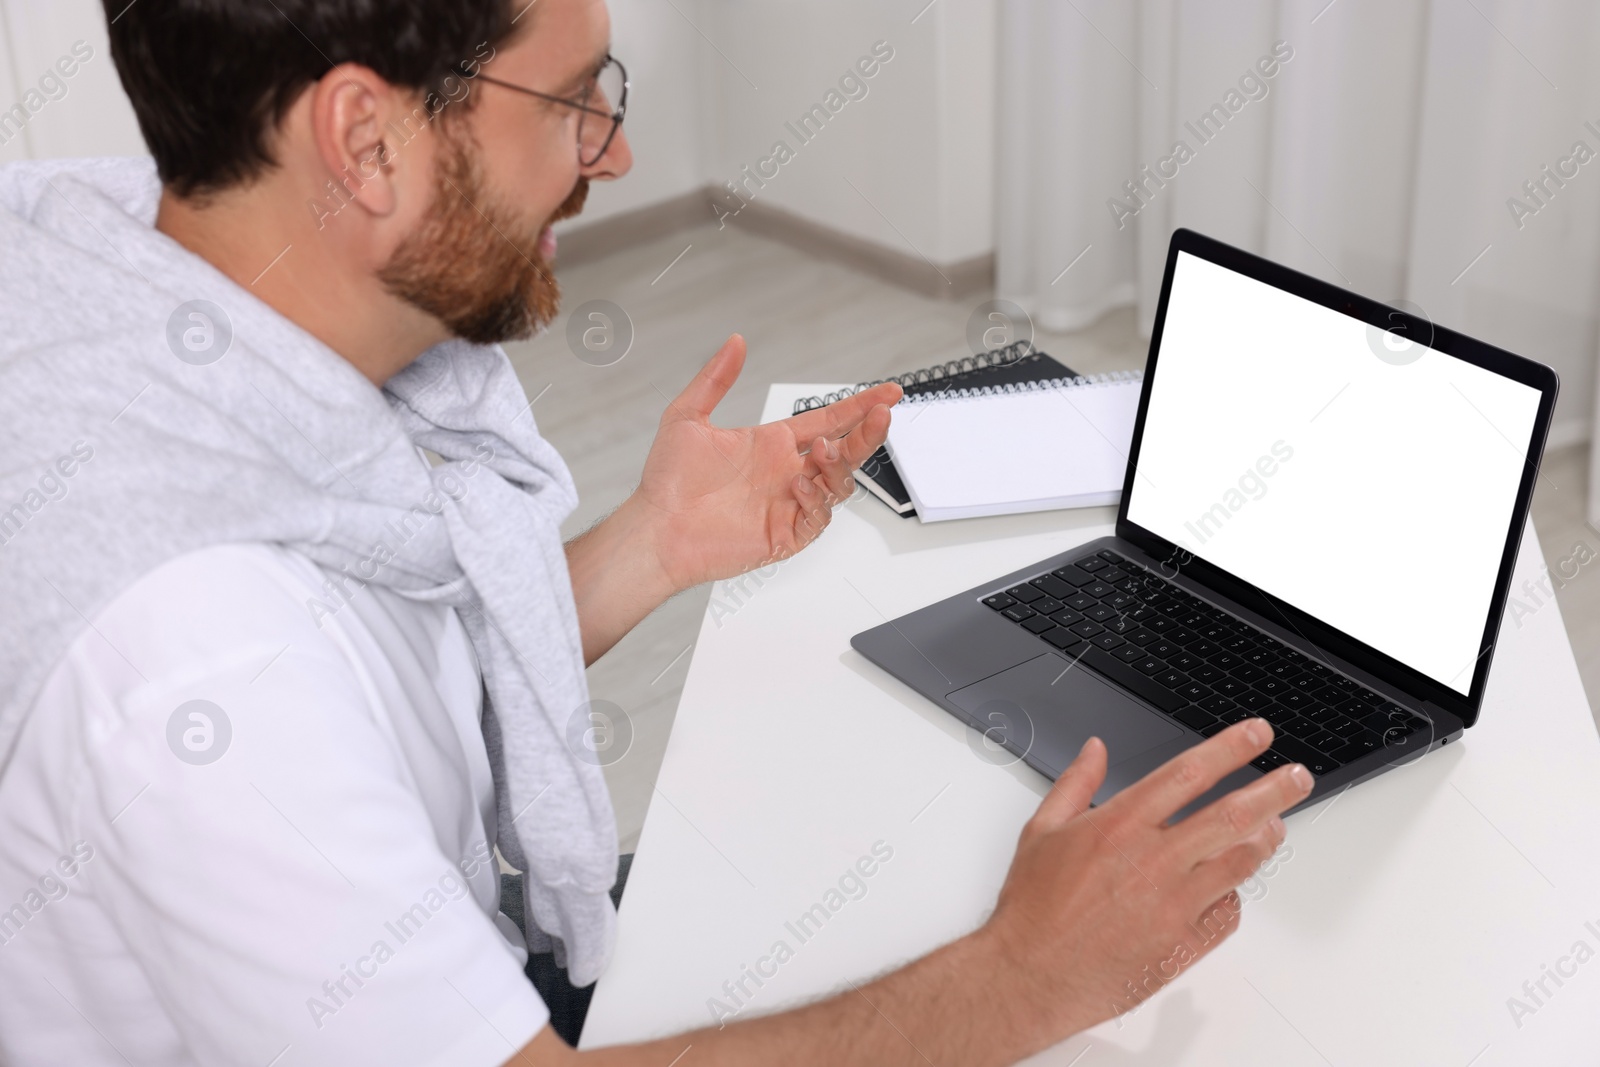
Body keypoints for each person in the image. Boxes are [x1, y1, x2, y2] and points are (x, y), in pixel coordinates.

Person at [0, 0, 1312, 1064]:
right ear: (365, 138)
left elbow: (382, 687)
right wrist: (1018, 983)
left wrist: (652, 546)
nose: (612, 154)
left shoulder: (141, 262)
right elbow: (291, 697)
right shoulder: (196, 672)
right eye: (574, 98)